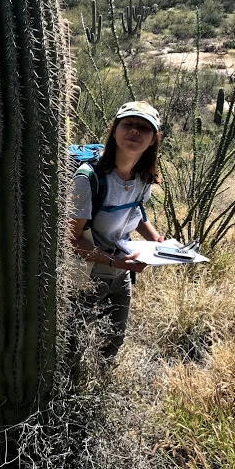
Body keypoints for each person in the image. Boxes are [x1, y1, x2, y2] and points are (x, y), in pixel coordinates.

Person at [69, 101, 165, 370]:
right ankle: (69, 392)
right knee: (73, 345)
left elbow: (137, 215)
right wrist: (115, 263)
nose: (135, 131)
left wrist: (158, 242)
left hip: (120, 274)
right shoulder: (89, 178)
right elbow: (71, 240)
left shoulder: (143, 177)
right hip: (88, 275)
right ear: (115, 131)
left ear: (152, 140)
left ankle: (100, 385)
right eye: (128, 124)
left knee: (113, 340)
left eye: (144, 128)